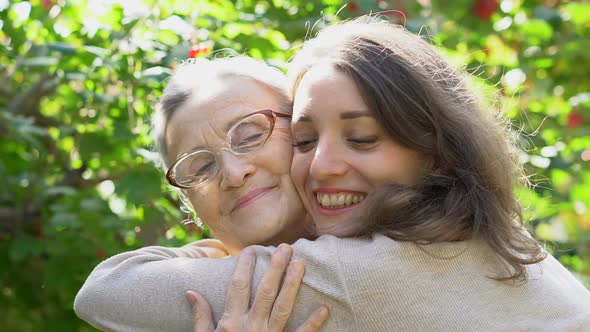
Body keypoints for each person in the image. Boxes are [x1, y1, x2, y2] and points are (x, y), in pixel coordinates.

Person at [75, 16, 590, 331]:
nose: (232, 171)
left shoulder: (361, 272)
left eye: (251, 133)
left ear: (436, 152)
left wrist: (233, 259)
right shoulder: (483, 237)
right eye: (199, 167)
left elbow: (104, 292)